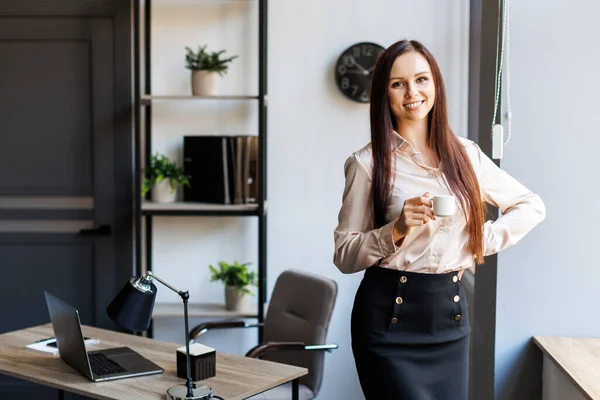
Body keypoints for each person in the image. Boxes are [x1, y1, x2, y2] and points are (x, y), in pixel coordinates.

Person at [333, 39, 546, 400]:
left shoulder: (466, 155)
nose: (412, 92)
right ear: (385, 93)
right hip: (388, 321)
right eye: (398, 83)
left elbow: (531, 205)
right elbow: (344, 254)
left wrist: (479, 240)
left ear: (435, 85)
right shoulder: (367, 164)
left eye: (421, 79)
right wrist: (395, 230)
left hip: (449, 319)